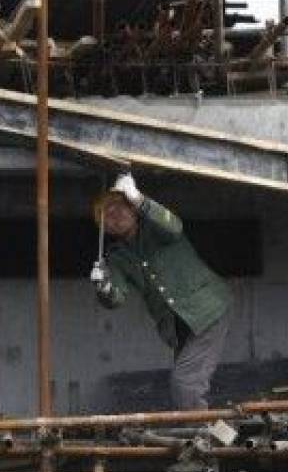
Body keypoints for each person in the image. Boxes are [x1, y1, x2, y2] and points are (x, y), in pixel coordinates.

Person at [89, 174, 232, 411]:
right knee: (185, 385)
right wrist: (104, 288)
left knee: (185, 383)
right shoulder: (117, 257)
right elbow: (116, 297)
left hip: (207, 310)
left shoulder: (155, 227)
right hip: (178, 326)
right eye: (107, 214)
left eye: (120, 207)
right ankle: (210, 428)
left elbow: (175, 226)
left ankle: (203, 430)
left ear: (133, 210)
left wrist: (139, 199)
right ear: (104, 227)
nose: (115, 214)